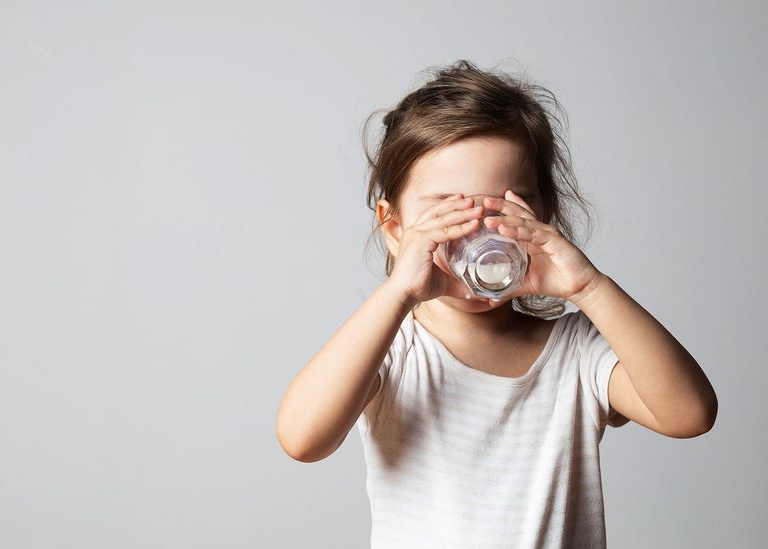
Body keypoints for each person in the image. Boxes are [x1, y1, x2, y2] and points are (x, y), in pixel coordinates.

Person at [276, 59, 718, 548]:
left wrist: (589, 287)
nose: (477, 232)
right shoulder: (392, 349)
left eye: (502, 209)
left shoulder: (577, 352)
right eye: (447, 211)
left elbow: (690, 416)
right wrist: (399, 292)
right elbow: (303, 438)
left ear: (543, 217)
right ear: (395, 227)